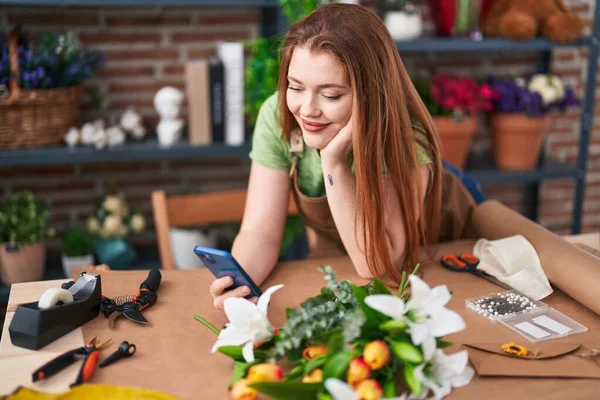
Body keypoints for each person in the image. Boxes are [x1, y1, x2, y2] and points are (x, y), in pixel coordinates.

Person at [210, 3, 478, 309]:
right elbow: (260, 231)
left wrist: (333, 159)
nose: (307, 109)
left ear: (371, 93)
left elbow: (377, 264)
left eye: (331, 95)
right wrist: (239, 281)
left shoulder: (404, 139)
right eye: (295, 87)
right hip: (340, 268)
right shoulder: (280, 113)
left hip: (440, 264)